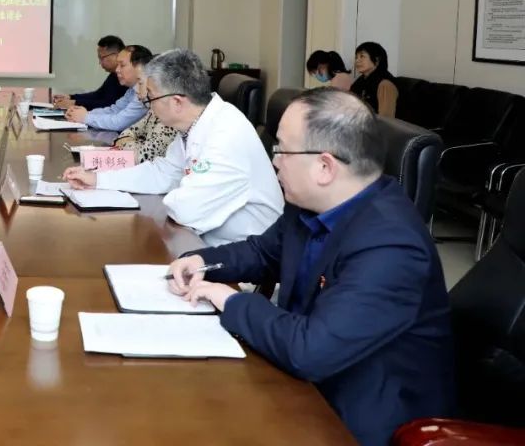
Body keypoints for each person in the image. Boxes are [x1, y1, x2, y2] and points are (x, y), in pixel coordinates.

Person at [169, 88, 454, 445]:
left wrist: (230, 300)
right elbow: (263, 252)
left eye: (282, 150)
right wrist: (202, 261)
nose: (274, 161)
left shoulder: (391, 245)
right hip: (302, 383)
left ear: (324, 166)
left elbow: (311, 351)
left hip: (358, 418)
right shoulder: (311, 205)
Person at [63, 49, 283, 245]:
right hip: (201, 241)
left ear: (177, 101)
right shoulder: (195, 124)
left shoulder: (225, 135)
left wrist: (170, 193)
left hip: (242, 259)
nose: (147, 105)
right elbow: (162, 172)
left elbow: (186, 210)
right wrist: (99, 180)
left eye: (150, 97)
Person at [64, 45, 150, 131]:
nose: (117, 70)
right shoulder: (131, 90)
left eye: (122, 65)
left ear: (139, 68)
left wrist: (85, 117)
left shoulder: (145, 92)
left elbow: (119, 123)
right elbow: (113, 110)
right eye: (118, 65)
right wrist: (82, 113)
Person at [113, 60, 178, 163]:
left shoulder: (170, 116)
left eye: (140, 83)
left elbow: (144, 156)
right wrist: (139, 143)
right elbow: (126, 133)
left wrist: (131, 143)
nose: (137, 90)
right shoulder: (153, 110)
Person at [52, 35, 126, 110]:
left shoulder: (126, 77)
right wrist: (71, 97)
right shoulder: (114, 75)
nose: (100, 63)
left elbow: (108, 104)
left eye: (102, 58)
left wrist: (75, 103)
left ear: (116, 55)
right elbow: (98, 95)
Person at [350, 41, 398, 117]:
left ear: (377, 60)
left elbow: (386, 120)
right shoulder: (360, 81)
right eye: (356, 57)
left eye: (362, 56)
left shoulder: (385, 84)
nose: (357, 61)